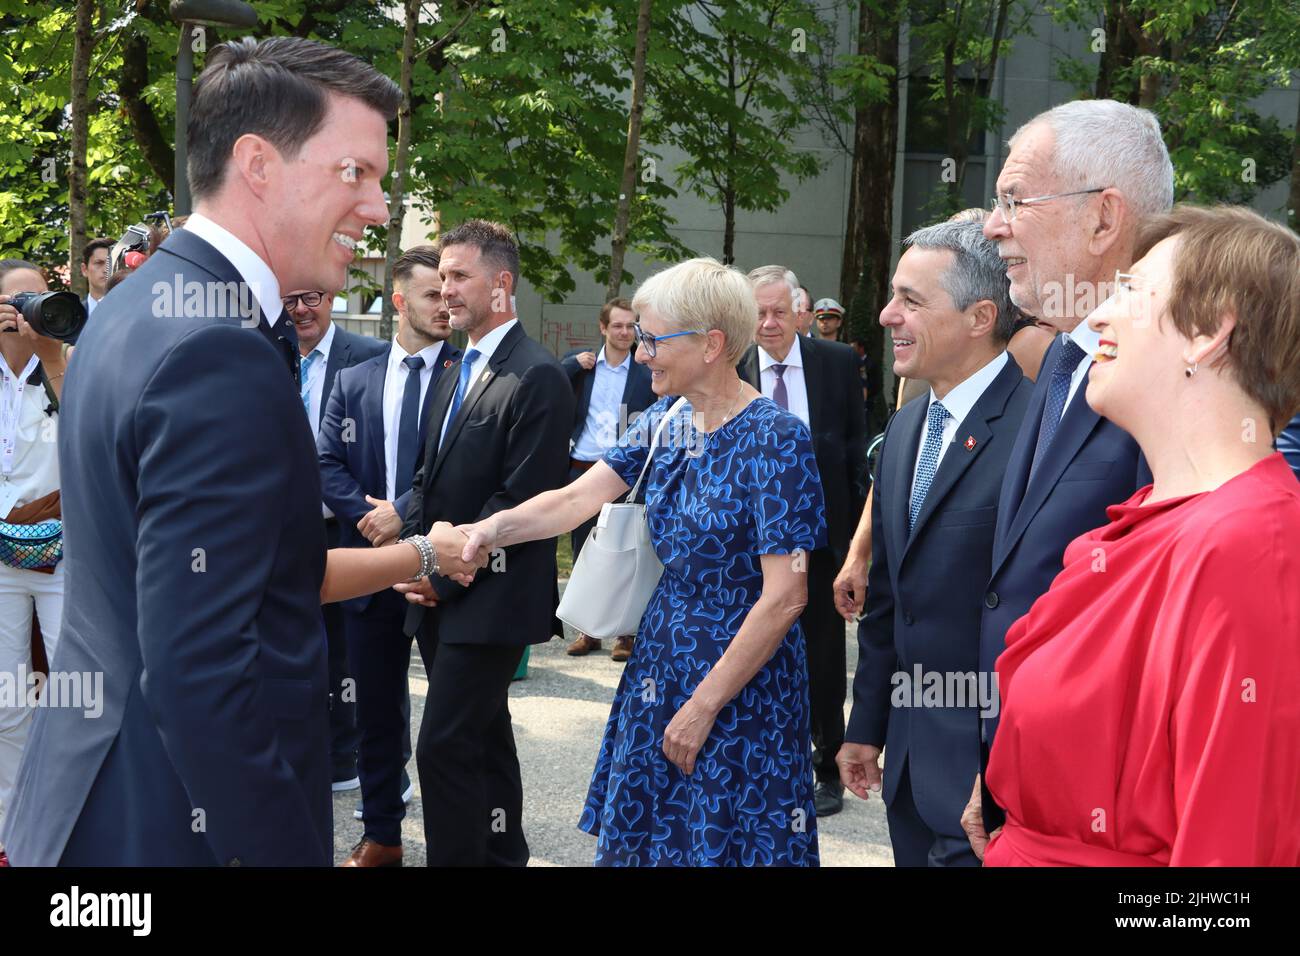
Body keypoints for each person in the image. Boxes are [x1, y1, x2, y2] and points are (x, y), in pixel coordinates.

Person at [0, 36, 481, 868]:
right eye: (355, 172)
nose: (377, 205)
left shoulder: (135, 305)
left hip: (100, 806)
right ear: (258, 164)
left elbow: (242, 578)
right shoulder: (213, 349)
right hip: (165, 825)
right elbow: (200, 674)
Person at [459, 256, 827, 866]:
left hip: (738, 685)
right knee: (654, 839)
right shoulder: (671, 420)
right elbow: (577, 498)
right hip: (662, 661)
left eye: (654, 339)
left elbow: (785, 596)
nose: (641, 352)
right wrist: (491, 529)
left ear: (712, 344)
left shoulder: (775, 438)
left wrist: (704, 705)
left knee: (721, 838)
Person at [974, 205, 1300, 866]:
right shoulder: (1153, 524)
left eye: (1131, 292)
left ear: (1208, 331)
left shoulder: (1247, 548)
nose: (1098, 317)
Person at [966, 100, 1169, 837]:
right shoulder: (1059, 355)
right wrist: (1001, 768)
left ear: (1103, 218)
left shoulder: (1182, 370)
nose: (993, 226)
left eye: (1015, 200)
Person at [836, 221, 1032, 866]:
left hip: (990, 783)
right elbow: (892, 597)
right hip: (911, 769)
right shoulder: (907, 423)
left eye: (912, 301)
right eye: (894, 296)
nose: (889, 315)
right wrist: (866, 728)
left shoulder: (1039, 433)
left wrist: (1007, 769)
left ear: (981, 316)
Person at [395, 219, 573, 867]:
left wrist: (438, 571)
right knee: (486, 736)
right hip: (437, 594)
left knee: (441, 745)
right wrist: (418, 560)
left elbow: (521, 502)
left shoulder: (538, 377)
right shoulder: (450, 362)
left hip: (491, 597)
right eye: (440, 277)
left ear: (502, 284)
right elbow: (423, 479)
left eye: (458, 276)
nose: (445, 290)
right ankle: (504, 854)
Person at [318, 244, 461, 866]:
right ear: (400, 300)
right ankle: (383, 836)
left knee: (457, 718)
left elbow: (462, 465)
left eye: (451, 292)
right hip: (370, 567)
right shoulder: (355, 380)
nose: (446, 304)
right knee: (375, 709)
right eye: (433, 294)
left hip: (446, 567)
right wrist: (370, 517)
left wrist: (404, 509)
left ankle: (463, 842)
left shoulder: (469, 374)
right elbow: (324, 461)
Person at [739, 264, 865, 817]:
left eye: (778, 311)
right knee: (752, 651)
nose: (769, 324)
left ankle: (826, 767)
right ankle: (758, 763)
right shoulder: (732, 365)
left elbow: (856, 454)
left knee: (822, 656)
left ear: (800, 311)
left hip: (819, 540)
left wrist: (858, 547)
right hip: (750, 542)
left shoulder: (836, 363)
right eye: (758, 313)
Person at [286, 286, 387, 795]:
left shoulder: (370, 357)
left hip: (345, 524)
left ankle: (350, 759)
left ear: (332, 299)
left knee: (349, 651)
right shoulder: (263, 354)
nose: (302, 309)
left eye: (312, 297)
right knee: (290, 645)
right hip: (278, 528)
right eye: (290, 300)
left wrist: (369, 513)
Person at [0, 260, 68, 847]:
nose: (28, 312)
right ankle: (10, 835)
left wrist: (52, 356)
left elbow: (93, 434)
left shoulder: (69, 360)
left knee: (74, 690)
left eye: (39, 299)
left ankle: (68, 826)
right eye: (17, 302)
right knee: (6, 702)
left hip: (60, 554)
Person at [561, 297, 655, 661]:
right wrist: (570, 364)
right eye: (617, 325)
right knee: (587, 554)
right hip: (581, 469)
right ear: (603, 328)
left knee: (626, 553)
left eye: (631, 326)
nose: (624, 332)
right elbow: (545, 380)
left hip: (624, 475)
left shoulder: (644, 373)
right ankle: (589, 632)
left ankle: (627, 634)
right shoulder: (582, 367)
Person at [79, 238, 112, 319]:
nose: (106, 270)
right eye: (99, 263)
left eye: (111, 263)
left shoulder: (133, 312)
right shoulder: (72, 316)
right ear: (84, 269)